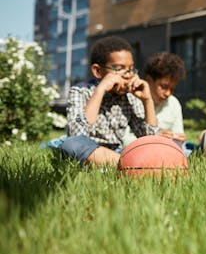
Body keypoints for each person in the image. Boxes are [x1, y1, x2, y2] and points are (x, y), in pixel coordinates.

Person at [59, 35, 158, 166]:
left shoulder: (130, 96)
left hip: (115, 152)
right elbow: (78, 134)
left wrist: (147, 100)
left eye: (130, 69)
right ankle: (131, 165)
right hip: (87, 151)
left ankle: (124, 164)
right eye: (119, 68)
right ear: (98, 71)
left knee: (169, 146)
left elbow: (151, 139)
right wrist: (100, 90)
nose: (128, 75)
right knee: (71, 144)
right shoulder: (79, 91)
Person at [122, 52, 190, 155]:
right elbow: (123, 139)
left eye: (172, 89)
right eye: (163, 87)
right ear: (149, 80)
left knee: (186, 149)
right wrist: (156, 139)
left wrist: (178, 138)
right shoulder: (132, 100)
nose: (168, 93)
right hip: (139, 149)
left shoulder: (173, 103)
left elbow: (179, 135)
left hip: (169, 147)